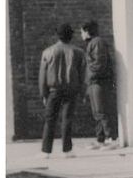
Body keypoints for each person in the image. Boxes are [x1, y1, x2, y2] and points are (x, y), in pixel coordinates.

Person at [38, 24, 86, 158]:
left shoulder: (48, 52)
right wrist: (82, 92)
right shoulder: (79, 52)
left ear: (57, 35)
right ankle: (67, 150)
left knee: (50, 120)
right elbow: (83, 75)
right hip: (72, 90)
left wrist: (43, 94)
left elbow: (43, 76)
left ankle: (46, 151)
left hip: (54, 90)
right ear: (71, 35)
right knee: (67, 119)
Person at [80, 20, 118, 148]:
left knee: (102, 111)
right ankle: (100, 139)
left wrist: (90, 73)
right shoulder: (93, 43)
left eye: (82, 32)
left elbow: (99, 64)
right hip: (94, 82)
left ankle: (112, 139)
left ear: (87, 31)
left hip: (98, 82)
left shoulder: (97, 43)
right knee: (97, 112)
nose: (81, 35)